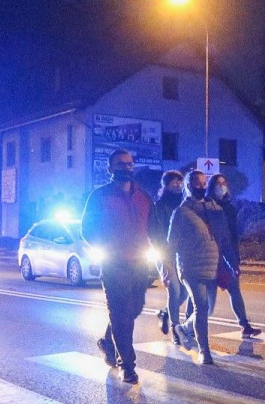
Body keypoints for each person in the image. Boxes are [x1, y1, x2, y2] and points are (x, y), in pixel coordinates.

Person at [81, 149, 153, 384]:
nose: (127, 167)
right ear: (110, 169)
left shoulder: (143, 196)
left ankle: (107, 342)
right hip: (114, 266)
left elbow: (153, 227)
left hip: (140, 265)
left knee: (133, 310)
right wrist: (107, 248)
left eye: (130, 163)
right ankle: (127, 366)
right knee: (121, 315)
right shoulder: (99, 196)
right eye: (121, 164)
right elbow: (87, 230)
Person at [168, 169, 219, 365]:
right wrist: (169, 267)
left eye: (205, 183)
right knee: (202, 306)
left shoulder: (212, 208)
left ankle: (183, 329)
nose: (203, 187)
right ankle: (204, 350)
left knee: (207, 309)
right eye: (198, 183)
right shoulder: (181, 212)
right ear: (189, 186)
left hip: (212, 266)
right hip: (191, 267)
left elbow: (224, 235)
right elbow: (171, 243)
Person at [204, 174, 262, 339]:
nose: (222, 187)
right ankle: (187, 327)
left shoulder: (229, 207)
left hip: (228, 255)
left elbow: (233, 234)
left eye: (224, 183)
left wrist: (235, 258)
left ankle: (244, 325)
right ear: (211, 187)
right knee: (207, 300)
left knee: (234, 290)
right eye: (218, 184)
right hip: (211, 256)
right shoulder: (207, 206)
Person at [150, 170, 188, 344]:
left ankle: (164, 312)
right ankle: (175, 329)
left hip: (182, 254)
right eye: (174, 182)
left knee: (185, 293)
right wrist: (163, 261)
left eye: (180, 182)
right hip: (165, 254)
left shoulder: (184, 204)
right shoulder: (159, 206)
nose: (178, 185)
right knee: (175, 291)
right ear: (165, 185)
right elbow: (156, 235)